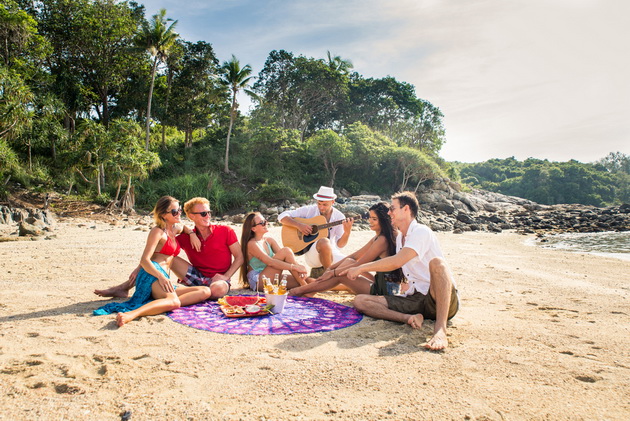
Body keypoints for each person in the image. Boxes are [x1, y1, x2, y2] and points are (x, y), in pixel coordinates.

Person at [346, 191, 459, 351]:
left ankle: (440, 330)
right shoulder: (400, 238)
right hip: (416, 299)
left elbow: (397, 261)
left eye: (393, 208)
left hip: (437, 297)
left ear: (406, 209)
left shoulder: (421, 231)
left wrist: (361, 267)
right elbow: (399, 266)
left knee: (438, 264)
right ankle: (409, 318)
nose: (389, 212)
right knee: (360, 301)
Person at [93, 196, 214, 327]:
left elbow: (184, 227)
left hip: (163, 278)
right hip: (154, 275)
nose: (179, 213)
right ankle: (132, 314)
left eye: (179, 210)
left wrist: (192, 234)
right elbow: (145, 259)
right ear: (163, 215)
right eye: (174, 211)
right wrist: (161, 276)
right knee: (174, 303)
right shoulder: (157, 232)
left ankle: (160, 303)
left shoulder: (174, 229)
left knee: (205, 291)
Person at [93, 197, 241, 300]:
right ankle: (126, 287)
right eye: (203, 213)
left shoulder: (225, 231)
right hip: (196, 275)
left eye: (209, 212)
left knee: (217, 290)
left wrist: (226, 276)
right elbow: (159, 251)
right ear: (191, 216)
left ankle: (165, 298)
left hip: (219, 279)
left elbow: (240, 257)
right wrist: (140, 267)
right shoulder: (182, 236)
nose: (208, 216)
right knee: (169, 255)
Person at [288, 202, 402, 297]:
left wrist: (332, 273)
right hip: (379, 282)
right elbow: (354, 257)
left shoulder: (383, 240)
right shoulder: (378, 237)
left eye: (374, 219)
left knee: (342, 275)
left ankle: (301, 290)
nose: (370, 221)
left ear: (383, 220)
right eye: (370, 218)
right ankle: (309, 289)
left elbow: (360, 264)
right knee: (348, 262)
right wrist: (331, 268)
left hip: (386, 290)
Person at [277, 186, 354, 275]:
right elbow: (282, 216)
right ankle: (328, 274)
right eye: (319, 204)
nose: (321, 207)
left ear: (333, 202)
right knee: (324, 241)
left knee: (351, 264)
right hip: (311, 254)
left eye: (325, 205)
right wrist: (299, 226)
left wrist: (347, 232)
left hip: (331, 252)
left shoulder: (339, 217)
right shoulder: (308, 210)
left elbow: (340, 245)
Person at [240, 212, 309, 291]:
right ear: (253, 229)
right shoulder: (252, 244)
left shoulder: (269, 241)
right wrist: (295, 267)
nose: (266, 224)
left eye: (265, 221)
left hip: (271, 276)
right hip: (258, 281)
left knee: (309, 281)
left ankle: (305, 286)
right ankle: (305, 289)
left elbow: (288, 258)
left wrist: (299, 269)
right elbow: (270, 262)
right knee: (286, 250)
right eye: (262, 223)